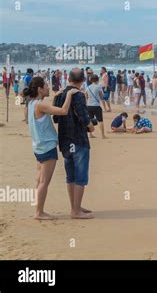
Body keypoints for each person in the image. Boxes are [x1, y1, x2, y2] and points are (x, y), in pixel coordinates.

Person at [24, 77, 78, 220]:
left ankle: (37, 208)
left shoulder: (32, 103)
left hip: (38, 145)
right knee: (44, 182)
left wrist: (56, 96)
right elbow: (63, 111)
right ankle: (39, 212)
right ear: (40, 89)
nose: (48, 87)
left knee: (39, 180)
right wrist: (68, 95)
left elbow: (51, 110)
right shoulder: (40, 105)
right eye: (46, 86)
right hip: (46, 147)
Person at [54, 68, 95, 219]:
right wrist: (91, 126)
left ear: (69, 78)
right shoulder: (77, 95)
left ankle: (75, 207)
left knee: (70, 176)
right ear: (83, 80)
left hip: (65, 139)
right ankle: (75, 211)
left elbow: (56, 118)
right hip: (78, 139)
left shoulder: (61, 94)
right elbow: (83, 116)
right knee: (80, 176)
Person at [85, 74, 106, 139]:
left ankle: (90, 134)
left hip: (89, 106)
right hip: (96, 106)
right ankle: (102, 135)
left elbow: (86, 97)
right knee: (100, 120)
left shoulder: (88, 87)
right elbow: (101, 97)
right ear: (97, 80)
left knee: (90, 120)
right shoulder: (98, 87)